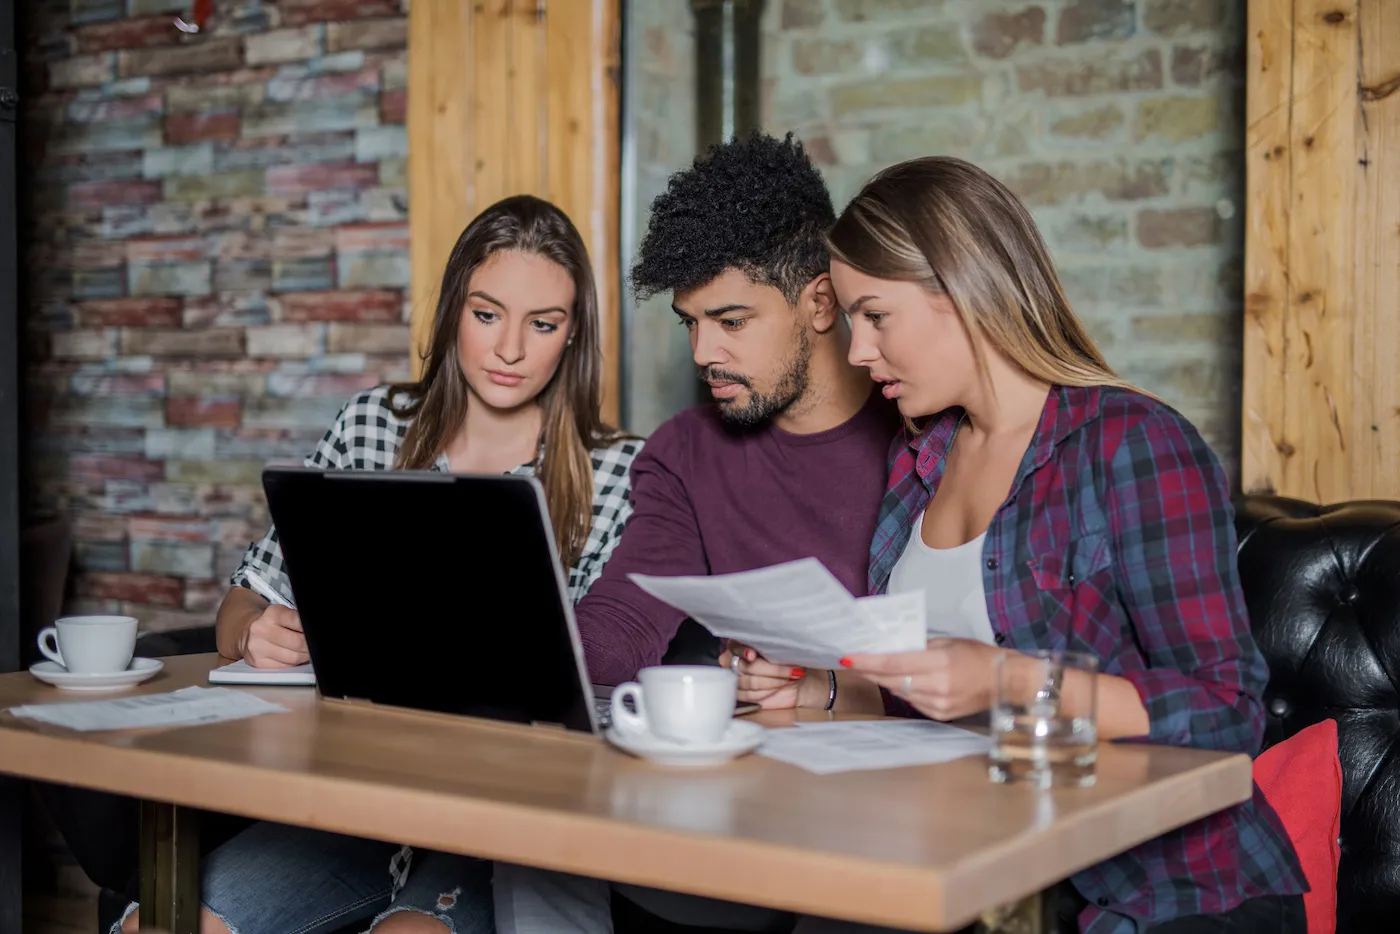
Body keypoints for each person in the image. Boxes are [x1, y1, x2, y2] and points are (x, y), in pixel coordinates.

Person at [744, 156, 1306, 933]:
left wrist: (1010, 680)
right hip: (975, 857)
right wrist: (821, 690)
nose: (856, 353)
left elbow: (1229, 713)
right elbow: (939, 688)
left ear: (961, 289)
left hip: (1167, 892)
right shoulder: (916, 464)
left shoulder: (1132, 443)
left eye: (875, 316)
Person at [117, 194, 643, 934]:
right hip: (354, 800)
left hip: (501, 818)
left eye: (543, 324)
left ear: (573, 334)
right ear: (453, 309)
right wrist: (253, 633)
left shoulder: (616, 470)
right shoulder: (374, 425)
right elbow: (242, 600)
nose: (511, 349)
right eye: (487, 314)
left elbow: (603, 680)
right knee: (164, 924)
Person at [491, 133, 901, 932]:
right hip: (729, 817)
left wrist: (825, 690)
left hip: (876, 818)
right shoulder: (684, 449)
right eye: (690, 323)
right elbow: (625, 620)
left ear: (820, 302)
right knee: (529, 834)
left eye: (731, 320)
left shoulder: (922, 438)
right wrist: (504, 642)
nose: (705, 352)